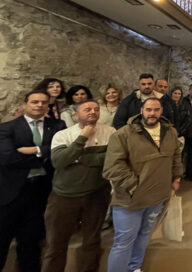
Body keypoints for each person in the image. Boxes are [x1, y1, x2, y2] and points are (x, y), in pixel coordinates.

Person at [103, 97, 183, 272]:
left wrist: (176, 177)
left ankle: (134, 267)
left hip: (157, 196)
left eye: (156, 110)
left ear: (161, 111)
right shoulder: (123, 134)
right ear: (141, 111)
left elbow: (176, 155)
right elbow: (112, 167)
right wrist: (134, 186)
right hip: (130, 199)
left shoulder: (170, 132)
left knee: (144, 235)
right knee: (123, 242)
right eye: (148, 110)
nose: (152, 113)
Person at [43, 100, 114, 272]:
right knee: (56, 243)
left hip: (96, 194)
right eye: (87, 109)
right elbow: (60, 161)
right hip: (65, 196)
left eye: (96, 109)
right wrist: (82, 138)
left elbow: (113, 158)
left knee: (92, 242)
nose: (93, 112)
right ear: (76, 115)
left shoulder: (110, 132)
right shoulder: (63, 135)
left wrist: (80, 157)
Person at [0, 90, 66, 271]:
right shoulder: (7, 128)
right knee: (2, 238)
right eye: (35, 102)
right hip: (10, 192)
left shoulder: (58, 125)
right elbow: (7, 158)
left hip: (41, 190)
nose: (39, 105)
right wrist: (44, 153)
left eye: (43, 102)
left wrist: (34, 150)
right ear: (25, 105)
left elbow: (61, 150)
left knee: (31, 241)